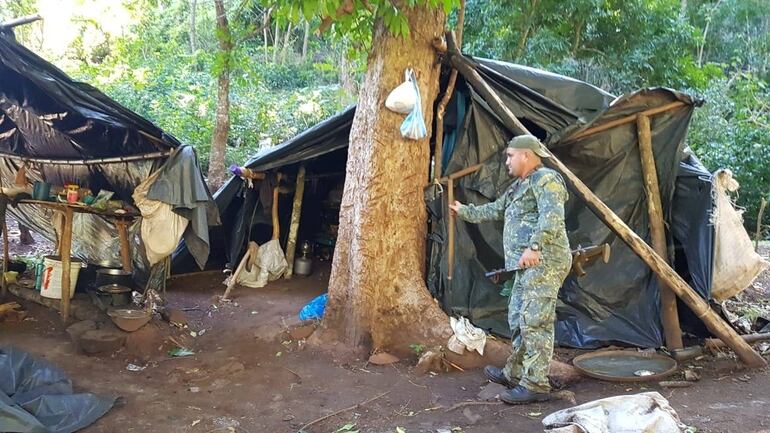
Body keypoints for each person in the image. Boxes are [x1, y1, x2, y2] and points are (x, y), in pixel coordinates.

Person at [449, 134, 571, 405]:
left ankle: (536, 384)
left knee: (535, 322)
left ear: (526, 155)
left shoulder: (546, 180)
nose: (506, 161)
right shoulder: (519, 186)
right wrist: (464, 210)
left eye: (510, 155)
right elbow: (495, 209)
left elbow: (552, 217)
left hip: (544, 263)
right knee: (518, 318)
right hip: (525, 267)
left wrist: (535, 247)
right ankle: (515, 373)